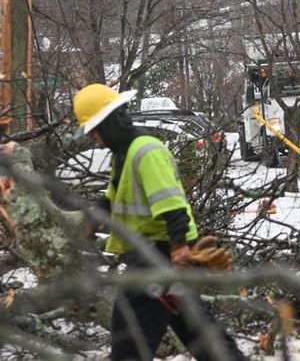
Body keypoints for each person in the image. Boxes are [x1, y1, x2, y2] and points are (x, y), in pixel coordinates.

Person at [73, 83, 245, 361]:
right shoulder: (124, 154)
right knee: (196, 329)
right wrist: (93, 220)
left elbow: (172, 204)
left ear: (111, 122)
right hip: (157, 254)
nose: (93, 138)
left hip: (161, 256)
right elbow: (113, 197)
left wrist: (179, 250)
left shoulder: (146, 151)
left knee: (130, 334)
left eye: (94, 130)